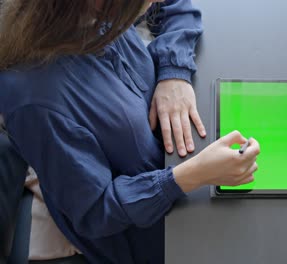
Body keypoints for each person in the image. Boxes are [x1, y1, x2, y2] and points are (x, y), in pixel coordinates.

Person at [0, 0, 260, 263]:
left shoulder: (88, 13)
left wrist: (174, 73)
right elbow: (96, 212)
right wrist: (189, 177)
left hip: (181, 167)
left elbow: (177, 4)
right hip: (139, 226)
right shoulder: (35, 100)